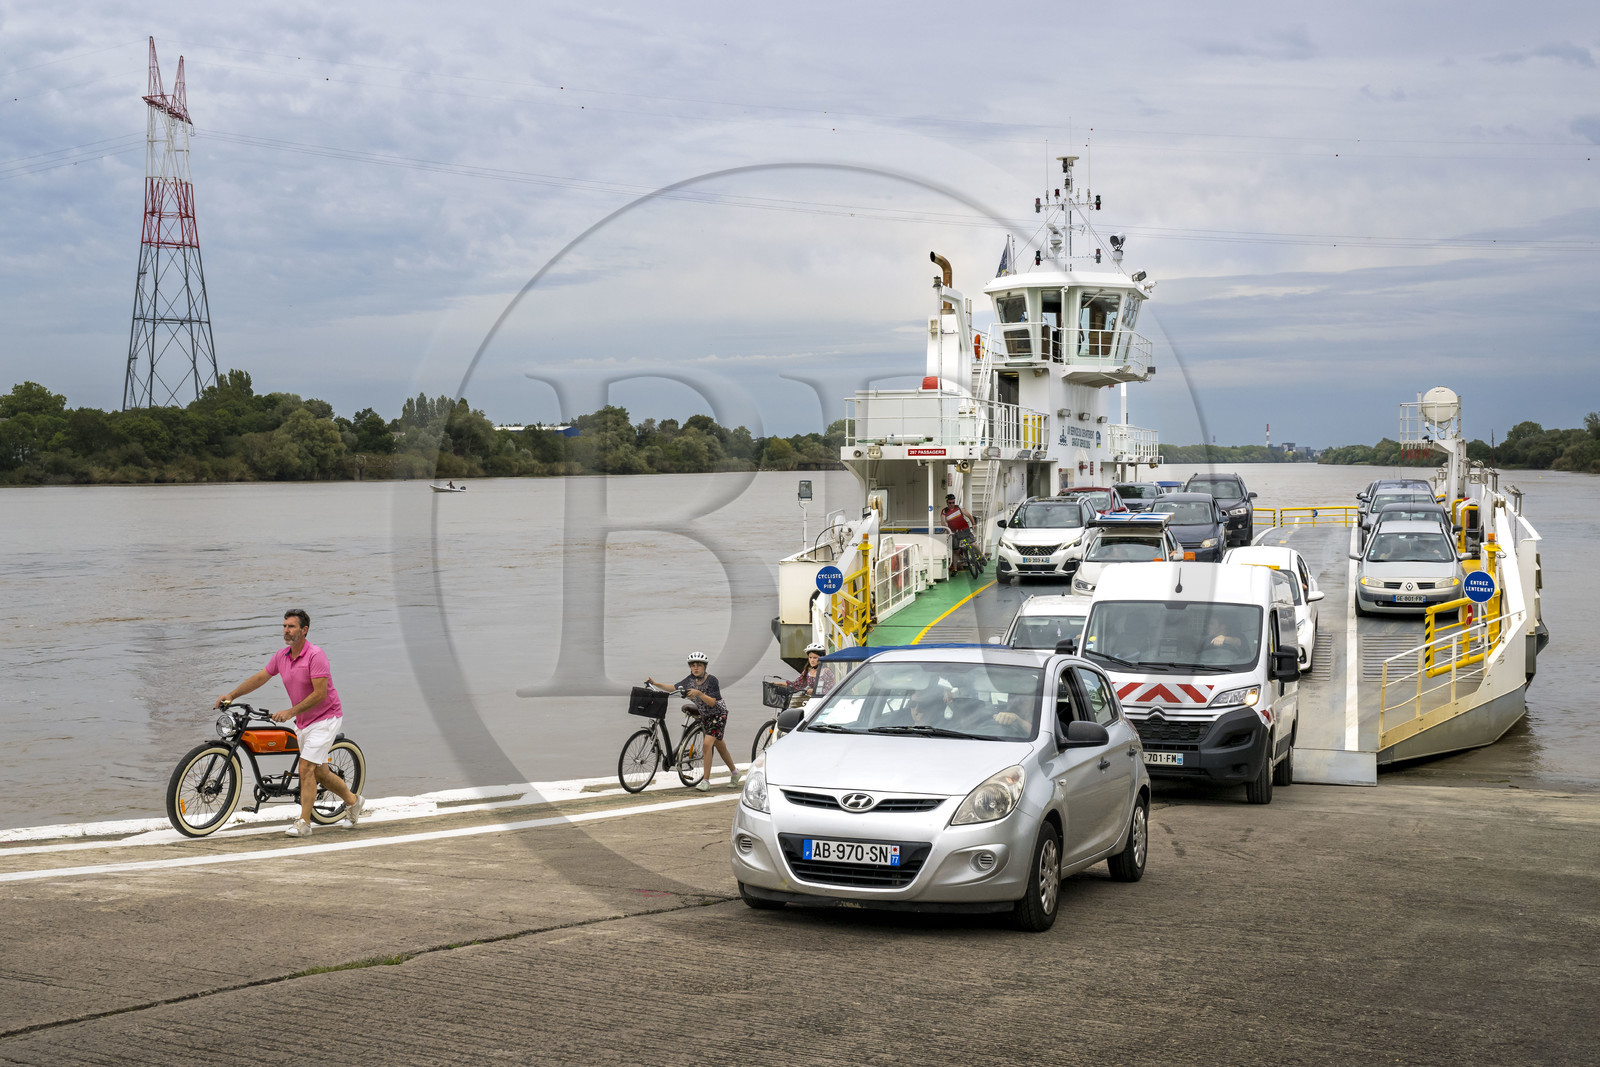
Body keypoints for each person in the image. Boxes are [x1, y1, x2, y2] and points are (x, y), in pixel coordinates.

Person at [216, 609, 363, 837]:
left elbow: (320, 694)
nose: (286, 630)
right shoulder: (282, 656)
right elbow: (261, 677)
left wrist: (290, 712)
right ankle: (353, 801)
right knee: (321, 774)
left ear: (304, 630)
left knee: (305, 768)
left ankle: (304, 823)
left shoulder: (315, 655)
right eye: (284, 626)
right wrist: (232, 695)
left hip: (326, 718)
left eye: (291, 626)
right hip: (304, 721)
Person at [646, 651, 741, 792]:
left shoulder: (712, 680)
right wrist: (655, 683)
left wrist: (699, 694)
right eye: (693, 665)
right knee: (720, 746)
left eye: (699, 665)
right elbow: (673, 688)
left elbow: (713, 702)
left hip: (718, 714)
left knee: (707, 745)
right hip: (705, 716)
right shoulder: (689, 680)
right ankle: (735, 772)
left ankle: (706, 781)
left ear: (705, 667)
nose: (696, 668)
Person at [941, 493, 976, 563]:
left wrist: (973, 524)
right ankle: (955, 567)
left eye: (953, 502)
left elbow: (969, 515)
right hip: (954, 532)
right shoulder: (944, 511)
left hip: (964, 529)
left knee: (973, 544)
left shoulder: (959, 507)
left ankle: (981, 556)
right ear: (947, 502)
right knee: (955, 550)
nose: (952, 504)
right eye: (950, 503)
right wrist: (947, 530)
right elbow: (943, 522)